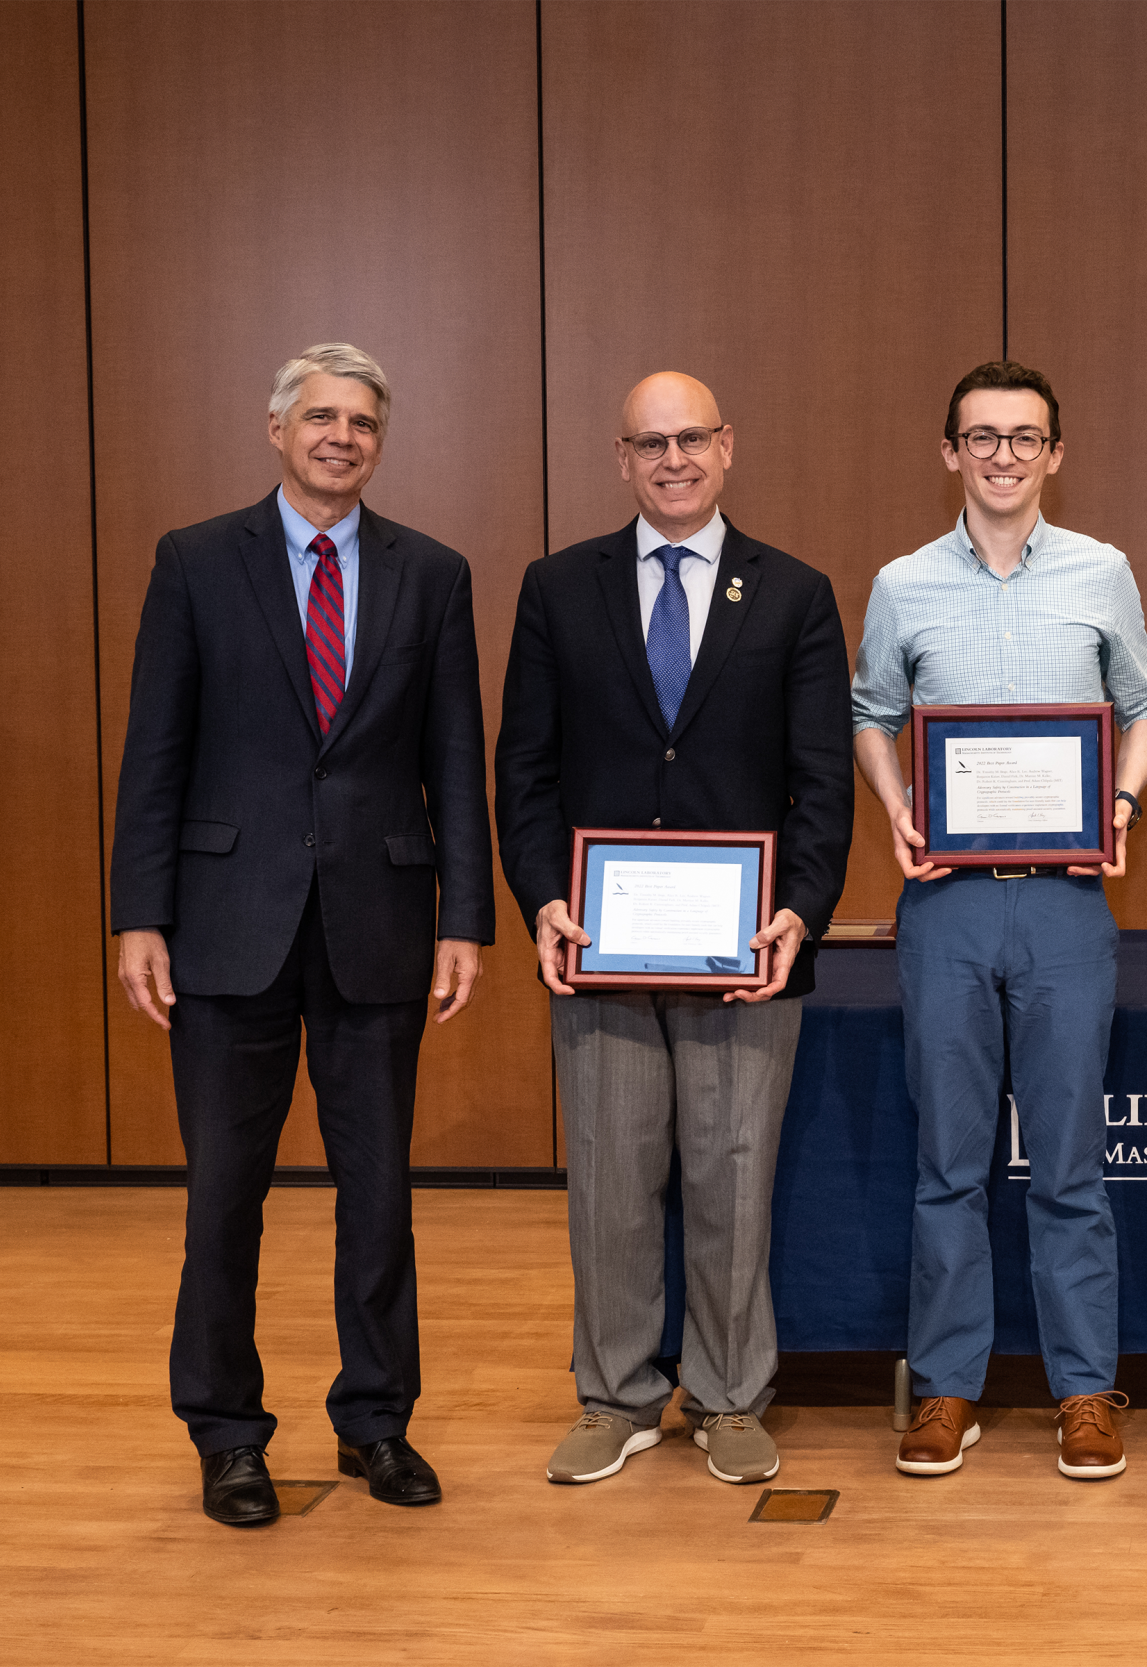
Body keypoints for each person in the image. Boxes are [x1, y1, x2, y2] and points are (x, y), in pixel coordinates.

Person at [111, 343, 493, 1526]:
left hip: (378, 924)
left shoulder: (432, 572)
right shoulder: (193, 561)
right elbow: (155, 756)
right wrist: (139, 912)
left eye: (363, 420)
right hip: (226, 929)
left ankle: (377, 1421)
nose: (342, 435)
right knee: (224, 1194)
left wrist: (465, 919)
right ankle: (227, 1433)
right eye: (320, 415)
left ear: (381, 439)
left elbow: (451, 761)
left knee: (378, 1194)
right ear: (276, 428)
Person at [496, 372, 853, 1489]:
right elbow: (525, 767)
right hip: (599, 946)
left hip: (744, 952)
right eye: (649, 443)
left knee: (733, 1174)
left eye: (690, 436)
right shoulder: (559, 588)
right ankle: (615, 1396)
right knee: (608, 1175)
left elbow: (822, 779)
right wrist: (544, 898)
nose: (672, 459)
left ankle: (733, 1396)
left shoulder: (793, 592)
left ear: (726, 445)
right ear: (621, 459)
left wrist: (798, 910)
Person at [851, 361, 1147, 1480]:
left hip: (1067, 902)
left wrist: (1122, 804)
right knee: (949, 1162)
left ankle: (1085, 1389)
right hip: (943, 904)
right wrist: (893, 809)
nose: (1001, 455)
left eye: (1023, 437)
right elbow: (875, 713)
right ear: (949, 452)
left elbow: (1142, 706)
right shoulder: (902, 582)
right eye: (980, 436)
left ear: (1053, 453)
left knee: (1069, 1163)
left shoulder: (1101, 572)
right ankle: (945, 1389)